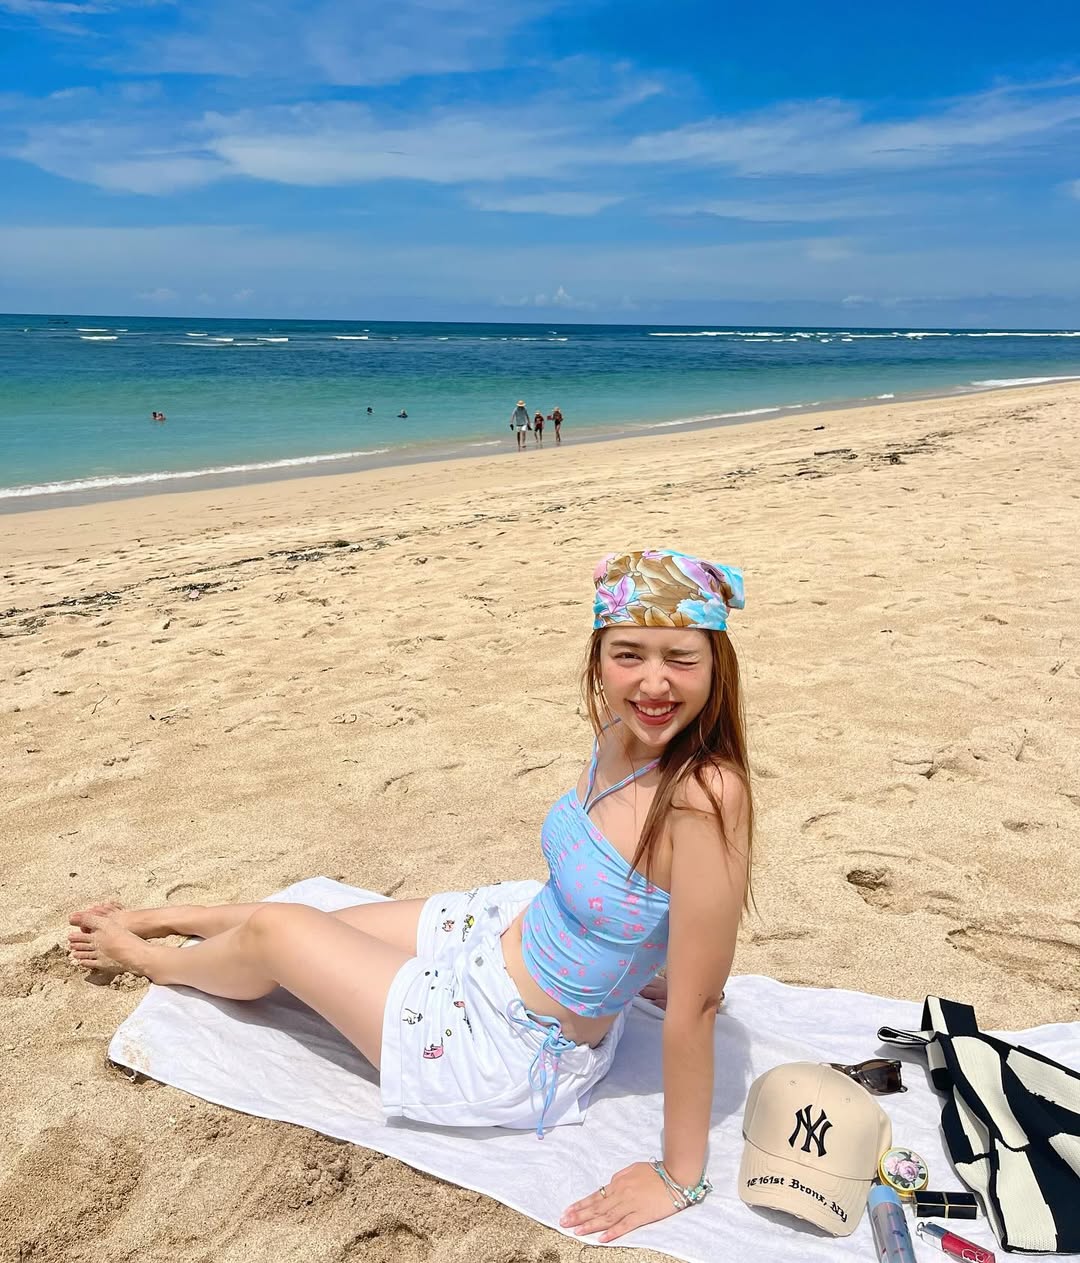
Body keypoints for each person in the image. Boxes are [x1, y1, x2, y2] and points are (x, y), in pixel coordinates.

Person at [67, 549, 751, 1243]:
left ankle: (150, 958)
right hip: (507, 934)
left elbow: (698, 1004)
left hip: (505, 1041)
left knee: (281, 932)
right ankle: (168, 916)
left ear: (715, 665)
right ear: (599, 656)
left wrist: (677, 1175)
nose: (653, 683)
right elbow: (647, 898)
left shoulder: (704, 798)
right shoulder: (620, 731)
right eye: (629, 655)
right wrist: (642, 961)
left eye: (681, 659)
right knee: (325, 920)